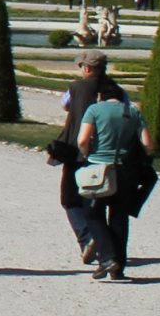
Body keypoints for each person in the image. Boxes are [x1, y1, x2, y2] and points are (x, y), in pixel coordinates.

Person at [52, 51, 129, 266]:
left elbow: (64, 104)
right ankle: (108, 247)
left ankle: (87, 238)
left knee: (70, 199)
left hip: (79, 151)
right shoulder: (116, 90)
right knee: (102, 199)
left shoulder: (76, 87)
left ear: (87, 68)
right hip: (110, 153)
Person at [77, 83, 153, 281]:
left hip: (99, 169)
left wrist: (87, 155)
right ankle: (117, 268)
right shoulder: (133, 112)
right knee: (119, 217)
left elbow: (83, 140)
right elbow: (148, 144)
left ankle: (108, 258)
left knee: (93, 214)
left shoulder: (94, 109)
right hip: (127, 171)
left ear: (101, 95)